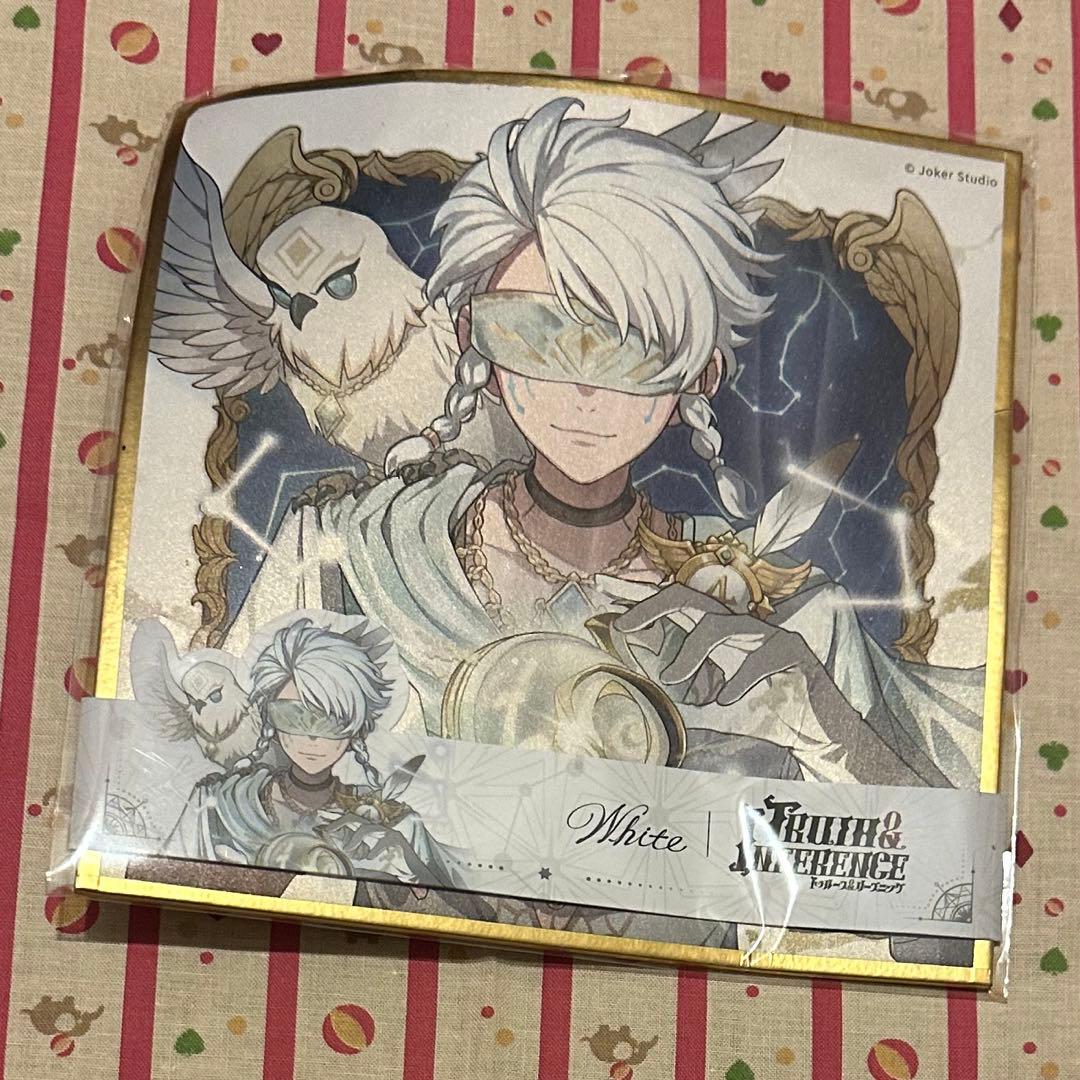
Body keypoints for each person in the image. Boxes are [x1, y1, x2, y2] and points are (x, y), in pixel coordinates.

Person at [230, 98, 984, 953]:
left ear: (700, 371)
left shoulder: (778, 609)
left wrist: (833, 735)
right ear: (476, 336)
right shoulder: (344, 553)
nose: (584, 389)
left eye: (634, 344)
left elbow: (947, 911)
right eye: (536, 331)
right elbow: (187, 843)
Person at [168, 618, 458, 889]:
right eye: (292, 716)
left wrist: (405, 872)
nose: (312, 737)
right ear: (270, 717)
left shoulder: (393, 821)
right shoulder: (217, 804)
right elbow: (161, 882)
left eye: (331, 720)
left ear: (357, 726)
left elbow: (465, 910)